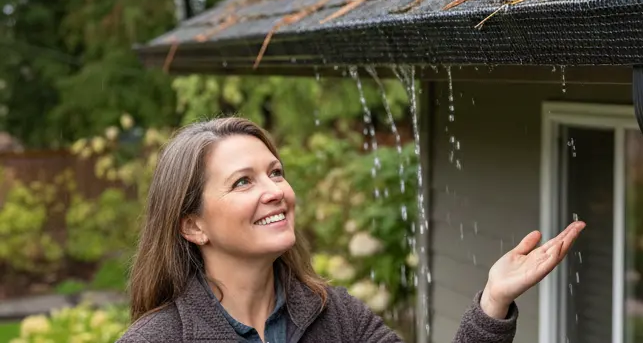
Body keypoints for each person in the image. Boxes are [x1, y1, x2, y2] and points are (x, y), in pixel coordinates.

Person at [116, 116, 584, 343]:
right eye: (243, 182)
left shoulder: (335, 316)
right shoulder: (158, 339)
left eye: (275, 173)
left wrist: (493, 301)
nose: (275, 190)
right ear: (193, 225)